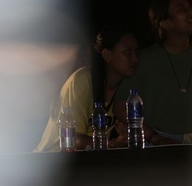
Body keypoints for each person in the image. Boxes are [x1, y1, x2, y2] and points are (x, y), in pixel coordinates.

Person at [114, 0, 192, 144]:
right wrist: (154, 137)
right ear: (166, 23)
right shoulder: (145, 59)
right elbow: (120, 107)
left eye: (190, 7)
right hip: (156, 144)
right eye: (182, 9)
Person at [35, 23, 138, 151]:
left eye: (136, 52)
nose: (135, 58)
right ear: (107, 55)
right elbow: (74, 139)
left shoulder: (126, 89)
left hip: (89, 158)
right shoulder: (83, 80)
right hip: (55, 158)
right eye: (127, 52)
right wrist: (111, 144)